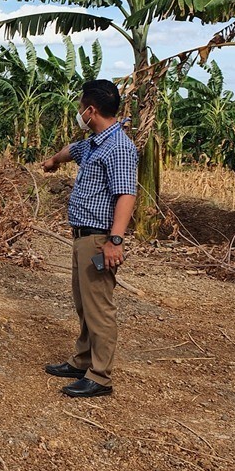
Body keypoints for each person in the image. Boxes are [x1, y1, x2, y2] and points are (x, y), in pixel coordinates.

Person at [40, 80, 138, 398]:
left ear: (91, 110)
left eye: (81, 108)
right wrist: (54, 161)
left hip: (100, 239)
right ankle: (81, 360)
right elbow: (73, 150)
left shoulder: (119, 147)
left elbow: (126, 196)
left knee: (99, 309)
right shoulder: (96, 142)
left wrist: (115, 241)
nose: (79, 113)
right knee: (84, 305)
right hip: (83, 237)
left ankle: (100, 376)